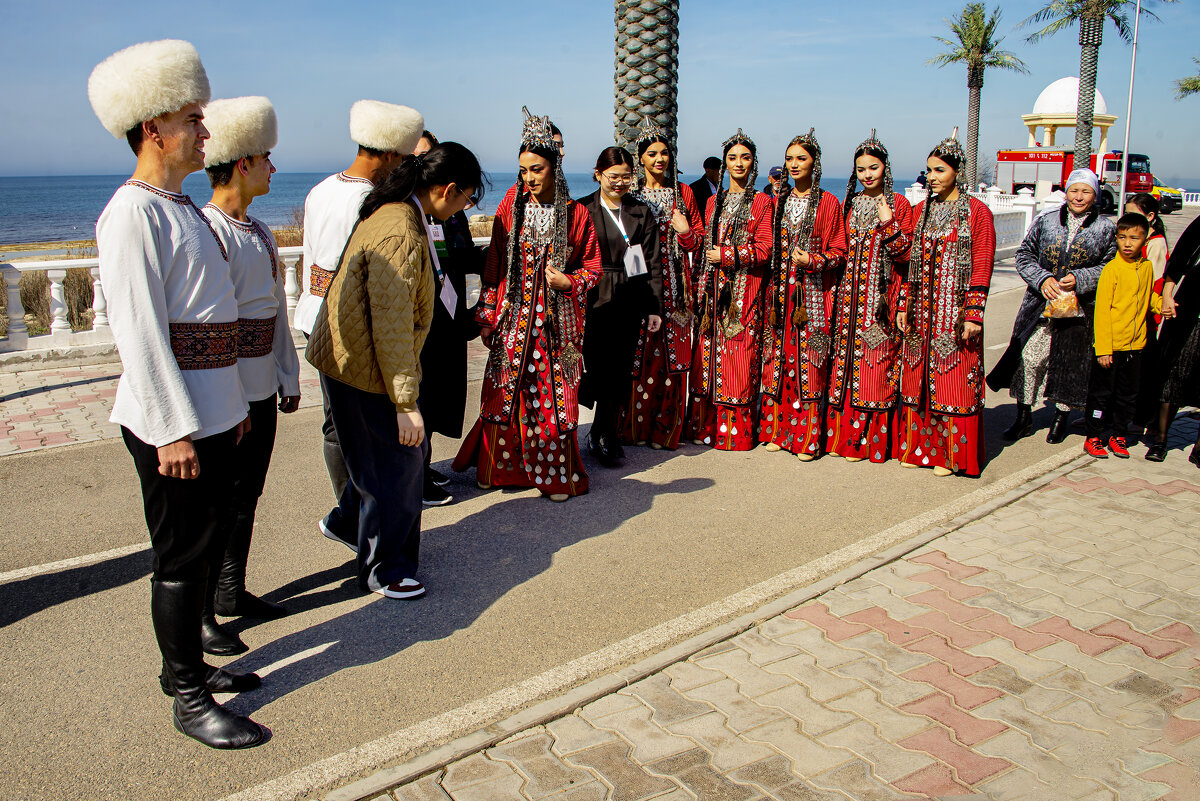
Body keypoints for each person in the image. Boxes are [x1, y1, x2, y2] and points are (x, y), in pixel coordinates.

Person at [89, 39, 264, 749]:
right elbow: (139, 333)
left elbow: (213, 317)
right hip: (174, 423)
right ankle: (188, 696)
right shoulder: (131, 213)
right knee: (181, 556)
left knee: (206, 541)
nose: (205, 130)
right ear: (153, 128)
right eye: (192, 118)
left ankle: (187, 666)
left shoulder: (183, 207)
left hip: (215, 412)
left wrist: (235, 409)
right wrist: (170, 430)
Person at [306, 142, 483, 599]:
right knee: (399, 466)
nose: (465, 207)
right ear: (447, 189)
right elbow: (392, 324)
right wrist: (406, 403)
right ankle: (386, 569)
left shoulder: (402, 211)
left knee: (382, 465)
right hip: (366, 368)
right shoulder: (402, 229)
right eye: (466, 198)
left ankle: (348, 522)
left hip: (357, 361)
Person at [452, 109, 602, 501]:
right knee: (505, 391)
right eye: (523, 170)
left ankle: (554, 475)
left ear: (555, 167)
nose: (529, 178)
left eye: (536, 169)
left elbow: (594, 268)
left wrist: (570, 281)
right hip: (514, 318)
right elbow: (495, 261)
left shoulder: (577, 214)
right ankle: (504, 471)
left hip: (558, 325)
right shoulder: (511, 204)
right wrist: (486, 315)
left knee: (552, 396)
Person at [200, 97, 301, 638]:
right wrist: (229, 403)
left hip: (262, 389)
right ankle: (206, 609)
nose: (273, 168)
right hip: (228, 397)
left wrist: (288, 375)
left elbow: (277, 315)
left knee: (248, 495)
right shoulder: (209, 232)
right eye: (266, 158)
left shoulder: (260, 233)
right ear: (242, 163)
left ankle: (232, 588)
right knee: (218, 501)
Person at [294, 100, 424, 518]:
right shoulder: (377, 203)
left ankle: (353, 509)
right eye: (403, 157)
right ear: (389, 154)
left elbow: (309, 257)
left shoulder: (320, 189)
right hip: (352, 326)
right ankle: (355, 512)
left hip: (314, 314)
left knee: (338, 423)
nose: (405, 166)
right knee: (360, 426)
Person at [986, 169, 1115, 443]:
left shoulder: (1105, 228)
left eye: (1086, 191)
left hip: (1079, 310)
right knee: (1029, 359)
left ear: (1095, 195)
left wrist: (1080, 279)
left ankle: (1060, 418)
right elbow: (1024, 254)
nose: (1079, 197)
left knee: (1068, 363)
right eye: (1074, 190)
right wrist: (1042, 279)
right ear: (1066, 192)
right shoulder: (1046, 222)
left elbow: (1109, 265)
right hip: (1040, 306)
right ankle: (1023, 416)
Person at [895, 135, 995, 477]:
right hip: (922, 313)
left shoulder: (976, 213)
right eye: (929, 171)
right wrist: (904, 305)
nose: (932, 177)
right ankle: (919, 448)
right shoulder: (920, 212)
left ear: (957, 171)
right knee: (916, 378)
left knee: (954, 380)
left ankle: (952, 457)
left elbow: (982, 262)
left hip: (954, 314)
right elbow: (908, 260)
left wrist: (974, 314)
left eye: (940, 170)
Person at [825, 131, 914, 463]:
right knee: (844, 367)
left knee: (876, 369)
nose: (867, 174)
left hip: (879, 303)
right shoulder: (850, 204)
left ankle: (871, 444)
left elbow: (907, 258)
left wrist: (889, 224)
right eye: (861, 169)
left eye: (873, 167)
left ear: (885, 168)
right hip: (847, 301)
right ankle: (842, 440)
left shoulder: (899, 205)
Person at [758, 129, 848, 459]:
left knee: (808, 364)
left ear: (815, 163)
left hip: (811, 298)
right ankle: (776, 433)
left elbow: (840, 250)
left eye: (801, 159)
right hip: (778, 296)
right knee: (777, 362)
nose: (794, 165)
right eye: (789, 159)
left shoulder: (828, 203)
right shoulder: (776, 203)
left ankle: (807, 439)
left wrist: (813, 260)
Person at [412, 129, 484, 506]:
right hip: (422, 320)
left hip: (450, 313)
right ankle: (415, 476)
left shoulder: (451, 214)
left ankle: (423, 466)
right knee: (419, 397)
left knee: (440, 395)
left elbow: (467, 255)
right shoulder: (406, 215)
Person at [689, 129, 774, 450]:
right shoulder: (714, 201)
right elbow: (705, 245)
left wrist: (727, 255)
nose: (739, 163)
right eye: (733, 158)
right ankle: (704, 428)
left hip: (745, 292)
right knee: (707, 357)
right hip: (712, 293)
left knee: (740, 355)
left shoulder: (764, 202)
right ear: (724, 163)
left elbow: (766, 250)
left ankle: (735, 434)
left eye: (746, 158)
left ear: (754, 163)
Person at [623, 116, 705, 450]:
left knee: (672, 358)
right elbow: (623, 240)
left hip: (676, 284)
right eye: (652, 153)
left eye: (665, 153)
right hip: (640, 281)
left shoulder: (683, 193)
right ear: (640, 158)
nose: (659, 159)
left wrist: (684, 231)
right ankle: (633, 429)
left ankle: (664, 430)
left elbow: (697, 239)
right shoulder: (630, 192)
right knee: (638, 355)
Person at [579, 146, 663, 466]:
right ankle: (593, 429)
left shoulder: (640, 212)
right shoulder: (583, 209)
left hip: (629, 298)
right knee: (596, 369)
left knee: (620, 371)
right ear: (599, 174)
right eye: (613, 176)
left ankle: (606, 433)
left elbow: (650, 261)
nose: (620, 183)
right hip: (593, 298)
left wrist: (653, 306)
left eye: (627, 177)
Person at [1083, 213, 1161, 458]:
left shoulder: (1146, 267)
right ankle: (1094, 436)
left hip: (1135, 346)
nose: (1127, 243)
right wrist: (1104, 348)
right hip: (1111, 346)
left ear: (1145, 240)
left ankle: (1118, 435)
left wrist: (1163, 306)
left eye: (1134, 238)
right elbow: (1102, 312)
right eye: (1123, 237)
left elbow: (1148, 297)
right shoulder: (1112, 270)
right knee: (1101, 395)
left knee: (1127, 395)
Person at [1145, 214, 1200, 466]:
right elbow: (1179, 259)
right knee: (1175, 368)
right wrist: (1167, 294)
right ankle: (1160, 439)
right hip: (1191, 305)